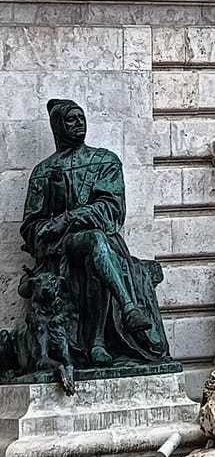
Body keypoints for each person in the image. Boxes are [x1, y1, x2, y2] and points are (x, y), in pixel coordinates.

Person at [16, 99, 170, 369]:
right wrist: (47, 227)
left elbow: (112, 210)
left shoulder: (105, 160)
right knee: (95, 241)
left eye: (81, 117)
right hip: (60, 248)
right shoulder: (43, 171)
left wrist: (68, 218)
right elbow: (31, 226)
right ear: (58, 126)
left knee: (96, 246)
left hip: (98, 242)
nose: (79, 123)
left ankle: (100, 341)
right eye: (71, 119)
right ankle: (127, 310)